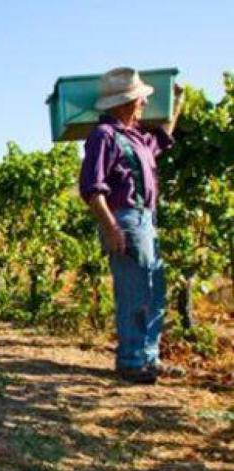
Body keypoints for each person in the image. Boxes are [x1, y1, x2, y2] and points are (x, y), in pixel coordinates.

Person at [79, 67, 185, 384]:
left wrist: (176, 103)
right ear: (127, 103)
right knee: (134, 291)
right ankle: (131, 360)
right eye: (140, 100)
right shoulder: (104, 136)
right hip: (124, 218)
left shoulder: (135, 138)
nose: (143, 105)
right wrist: (111, 227)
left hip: (145, 220)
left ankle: (148, 358)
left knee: (154, 292)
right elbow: (92, 188)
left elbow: (163, 138)